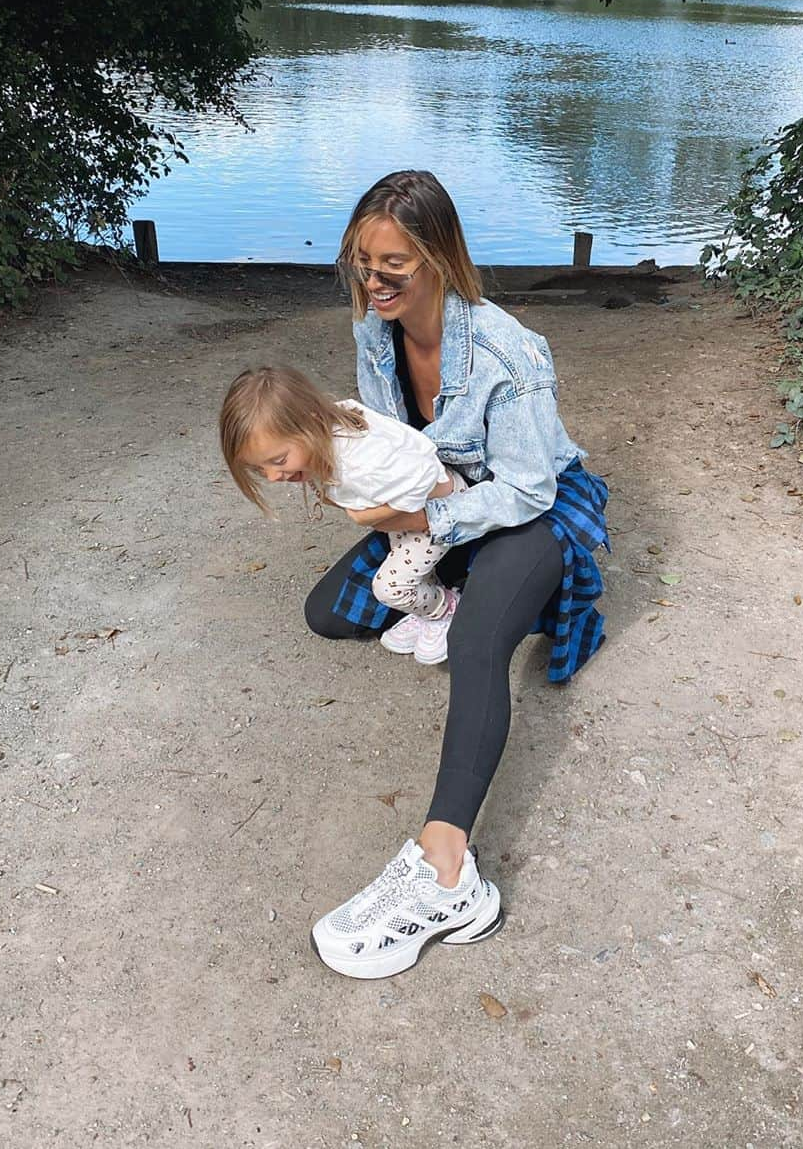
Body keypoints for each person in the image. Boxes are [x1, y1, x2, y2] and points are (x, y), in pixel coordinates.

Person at [305, 170, 610, 980]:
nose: (373, 283)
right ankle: (477, 590)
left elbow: (525, 487)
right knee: (328, 613)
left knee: (478, 643)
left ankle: (447, 872)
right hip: (440, 497)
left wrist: (426, 525)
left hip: (528, 507)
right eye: (361, 263)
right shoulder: (376, 331)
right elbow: (387, 442)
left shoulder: (508, 350)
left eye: (392, 266)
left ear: (440, 256)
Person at [218, 366, 470, 665]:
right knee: (411, 569)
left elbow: (428, 472)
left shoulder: (359, 461)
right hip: (406, 512)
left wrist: (369, 516)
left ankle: (446, 610)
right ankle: (426, 609)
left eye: (278, 461)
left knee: (390, 587)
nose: (273, 476)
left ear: (311, 422)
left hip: (439, 510)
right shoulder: (325, 429)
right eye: (261, 469)